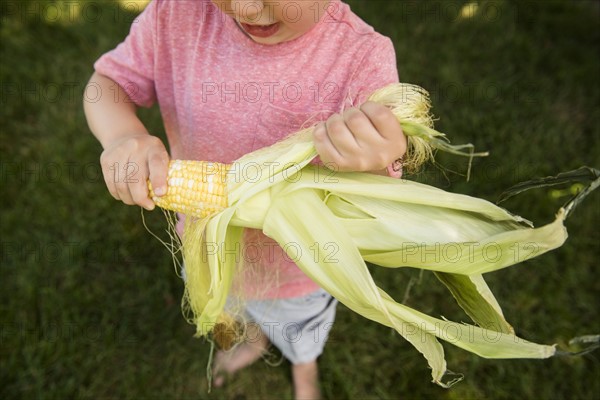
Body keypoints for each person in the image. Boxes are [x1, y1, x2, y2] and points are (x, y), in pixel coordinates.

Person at [84, 1, 407, 398]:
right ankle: (254, 341)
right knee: (230, 310)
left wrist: (379, 159)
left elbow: (377, 196)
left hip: (299, 269)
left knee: (301, 329)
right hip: (204, 244)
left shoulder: (361, 57)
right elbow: (107, 83)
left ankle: (304, 368)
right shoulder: (176, 15)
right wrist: (121, 135)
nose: (247, 9)